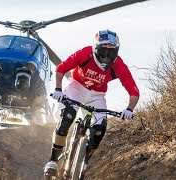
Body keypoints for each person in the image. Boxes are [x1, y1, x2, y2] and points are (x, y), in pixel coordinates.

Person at [43, 29, 140, 177]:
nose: (107, 58)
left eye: (111, 53)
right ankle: (53, 161)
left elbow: (134, 92)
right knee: (67, 117)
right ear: (95, 49)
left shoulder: (119, 64)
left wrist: (129, 109)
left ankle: (84, 161)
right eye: (103, 52)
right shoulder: (85, 53)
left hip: (97, 95)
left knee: (99, 130)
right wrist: (58, 89)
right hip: (77, 87)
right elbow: (61, 69)